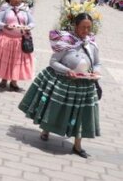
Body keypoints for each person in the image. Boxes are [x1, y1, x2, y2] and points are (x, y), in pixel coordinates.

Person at [19, 13, 100, 158]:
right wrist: (67, 70)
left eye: (89, 28)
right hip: (64, 81)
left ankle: (77, 145)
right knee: (54, 107)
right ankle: (46, 129)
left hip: (84, 85)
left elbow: (97, 63)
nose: (86, 31)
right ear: (75, 26)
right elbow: (53, 62)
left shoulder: (91, 44)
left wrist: (96, 72)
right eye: (83, 27)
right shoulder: (65, 41)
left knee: (80, 113)